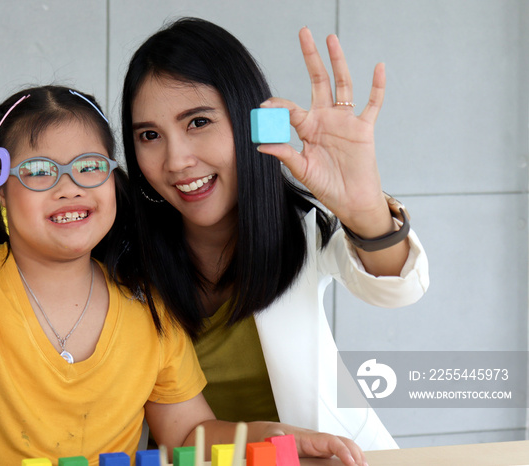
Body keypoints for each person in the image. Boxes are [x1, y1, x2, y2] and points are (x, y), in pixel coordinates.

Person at [0, 85, 368, 465]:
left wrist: (273, 438)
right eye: (39, 172)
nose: (70, 188)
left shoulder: (148, 306)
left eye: (89, 167)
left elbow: (188, 432)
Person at [120, 17, 430, 451]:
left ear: (249, 119)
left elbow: (398, 288)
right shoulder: (122, 253)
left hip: (327, 456)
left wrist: (365, 211)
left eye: (197, 122)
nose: (176, 160)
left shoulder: (298, 225)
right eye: (150, 135)